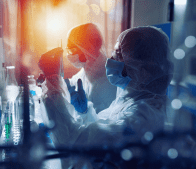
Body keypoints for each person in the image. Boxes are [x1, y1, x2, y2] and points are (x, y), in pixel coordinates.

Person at [39, 26, 174, 168]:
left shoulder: (143, 117)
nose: (110, 59)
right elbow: (104, 130)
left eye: (118, 54)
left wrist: (52, 83)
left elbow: (76, 145)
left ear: (144, 70)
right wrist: (84, 112)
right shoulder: (133, 101)